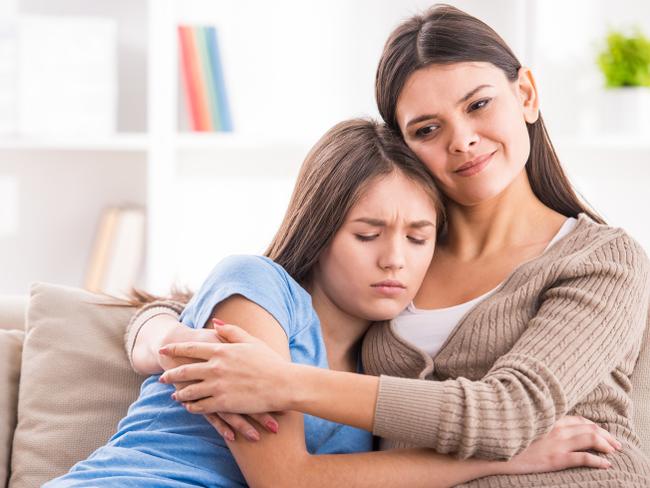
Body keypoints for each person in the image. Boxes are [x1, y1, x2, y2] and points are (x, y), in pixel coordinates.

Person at [153, 4, 650, 487]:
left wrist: (282, 380)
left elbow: (510, 413)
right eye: (427, 129)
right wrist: (157, 333)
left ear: (525, 93)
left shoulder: (602, 260)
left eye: (478, 105)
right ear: (402, 148)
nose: (462, 141)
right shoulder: (400, 259)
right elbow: (252, 294)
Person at [45, 119, 615, 488]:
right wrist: (506, 456)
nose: (395, 259)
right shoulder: (258, 287)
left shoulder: (382, 368)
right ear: (319, 233)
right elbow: (285, 480)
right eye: (367, 235)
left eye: (418, 238)